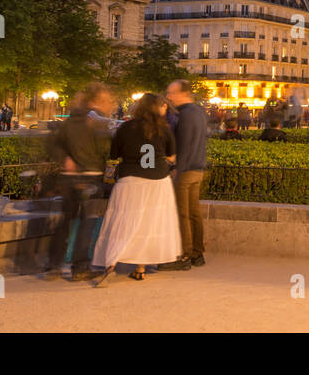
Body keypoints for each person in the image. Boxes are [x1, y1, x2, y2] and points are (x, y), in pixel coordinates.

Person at [92, 93, 183, 286]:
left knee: (121, 221)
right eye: (163, 106)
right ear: (156, 108)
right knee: (149, 223)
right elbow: (172, 156)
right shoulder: (164, 129)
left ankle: (111, 263)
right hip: (157, 181)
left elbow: (114, 154)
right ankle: (140, 269)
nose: (166, 109)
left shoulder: (125, 127)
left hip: (129, 180)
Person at [45, 83, 114, 281]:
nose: (108, 104)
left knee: (64, 221)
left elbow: (53, 144)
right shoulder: (98, 122)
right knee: (87, 222)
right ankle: (80, 267)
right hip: (91, 175)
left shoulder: (70, 121)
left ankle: (53, 265)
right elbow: (105, 149)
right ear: (94, 101)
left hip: (68, 178)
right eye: (105, 100)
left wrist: (65, 159)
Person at [162, 79, 206, 270]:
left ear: (183, 93)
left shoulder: (185, 115)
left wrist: (176, 169)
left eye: (171, 92)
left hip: (186, 170)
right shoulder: (198, 112)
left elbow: (184, 144)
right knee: (195, 213)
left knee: (183, 214)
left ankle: (185, 256)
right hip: (199, 168)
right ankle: (198, 253)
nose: (168, 96)